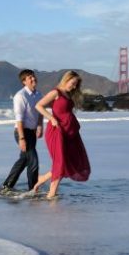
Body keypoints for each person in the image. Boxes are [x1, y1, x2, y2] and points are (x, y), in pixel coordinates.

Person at [31, 70, 90, 199]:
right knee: (61, 163)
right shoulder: (55, 92)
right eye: (72, 83)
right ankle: (51, 194)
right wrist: (51, 118)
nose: (74, 86)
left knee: (66, 163)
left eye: (76, 85)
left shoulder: (68, 94)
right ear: (66, 79)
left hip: (70, 133)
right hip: (57, 131)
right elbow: (38, 105)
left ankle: (43, 179)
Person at [2, 69, 43, 191]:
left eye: (33, 76)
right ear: (24, 81)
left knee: (24, 160)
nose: (33, 79)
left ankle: (7, 185)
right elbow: (19, 119)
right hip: (22, 132)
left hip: (32, 132)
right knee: (33, 161)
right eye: (29, 77)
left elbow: (40, 113)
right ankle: (33, 190)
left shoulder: (38, 94)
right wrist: (22, 138)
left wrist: (40, 126)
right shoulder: (20, 96)